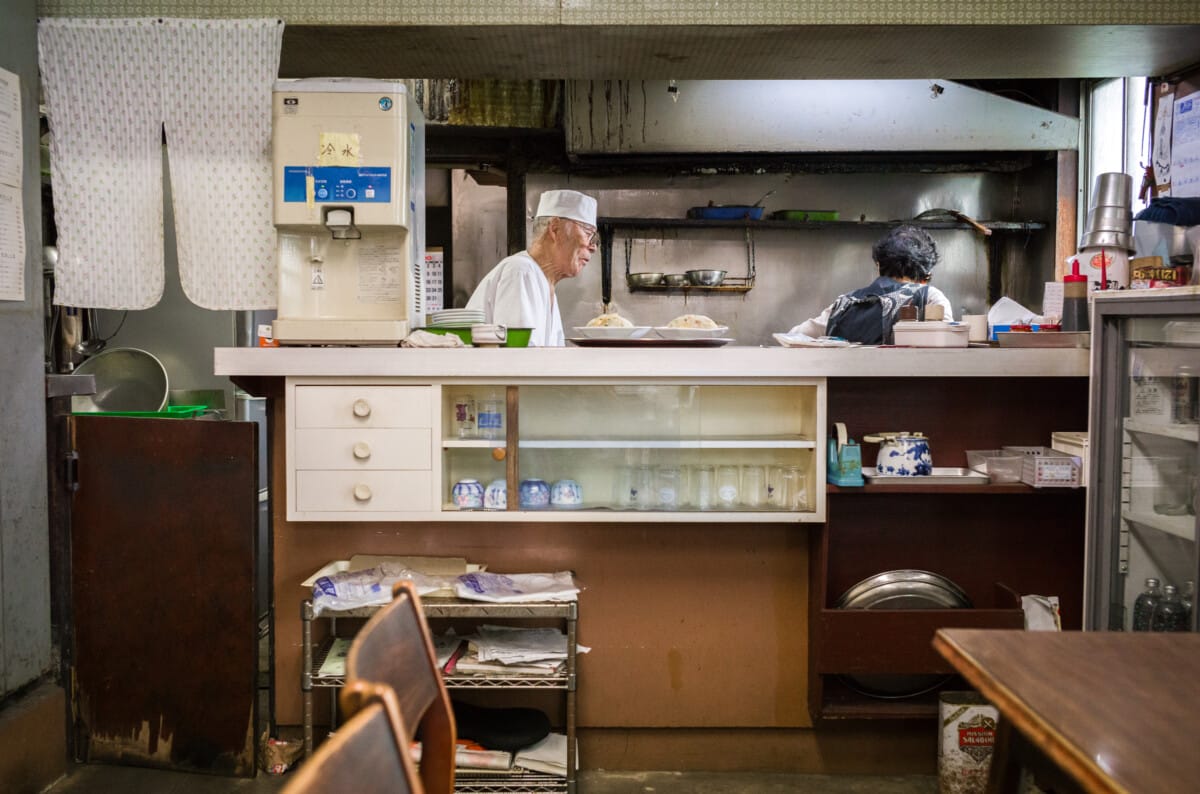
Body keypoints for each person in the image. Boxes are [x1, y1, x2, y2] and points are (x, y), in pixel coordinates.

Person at [466, 189, 598, 347]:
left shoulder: (543, 283)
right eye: (588, 233)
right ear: (555, 229)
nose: (593, 247)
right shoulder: (521, 271)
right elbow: (520, 358)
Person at [790, 224, 953, 344]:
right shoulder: (930, 297)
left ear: (878, 265)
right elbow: (949, 347)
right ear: (926, 275)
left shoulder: (845, 303)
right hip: (911, 388)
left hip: (843, 389)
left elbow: (794, 336)